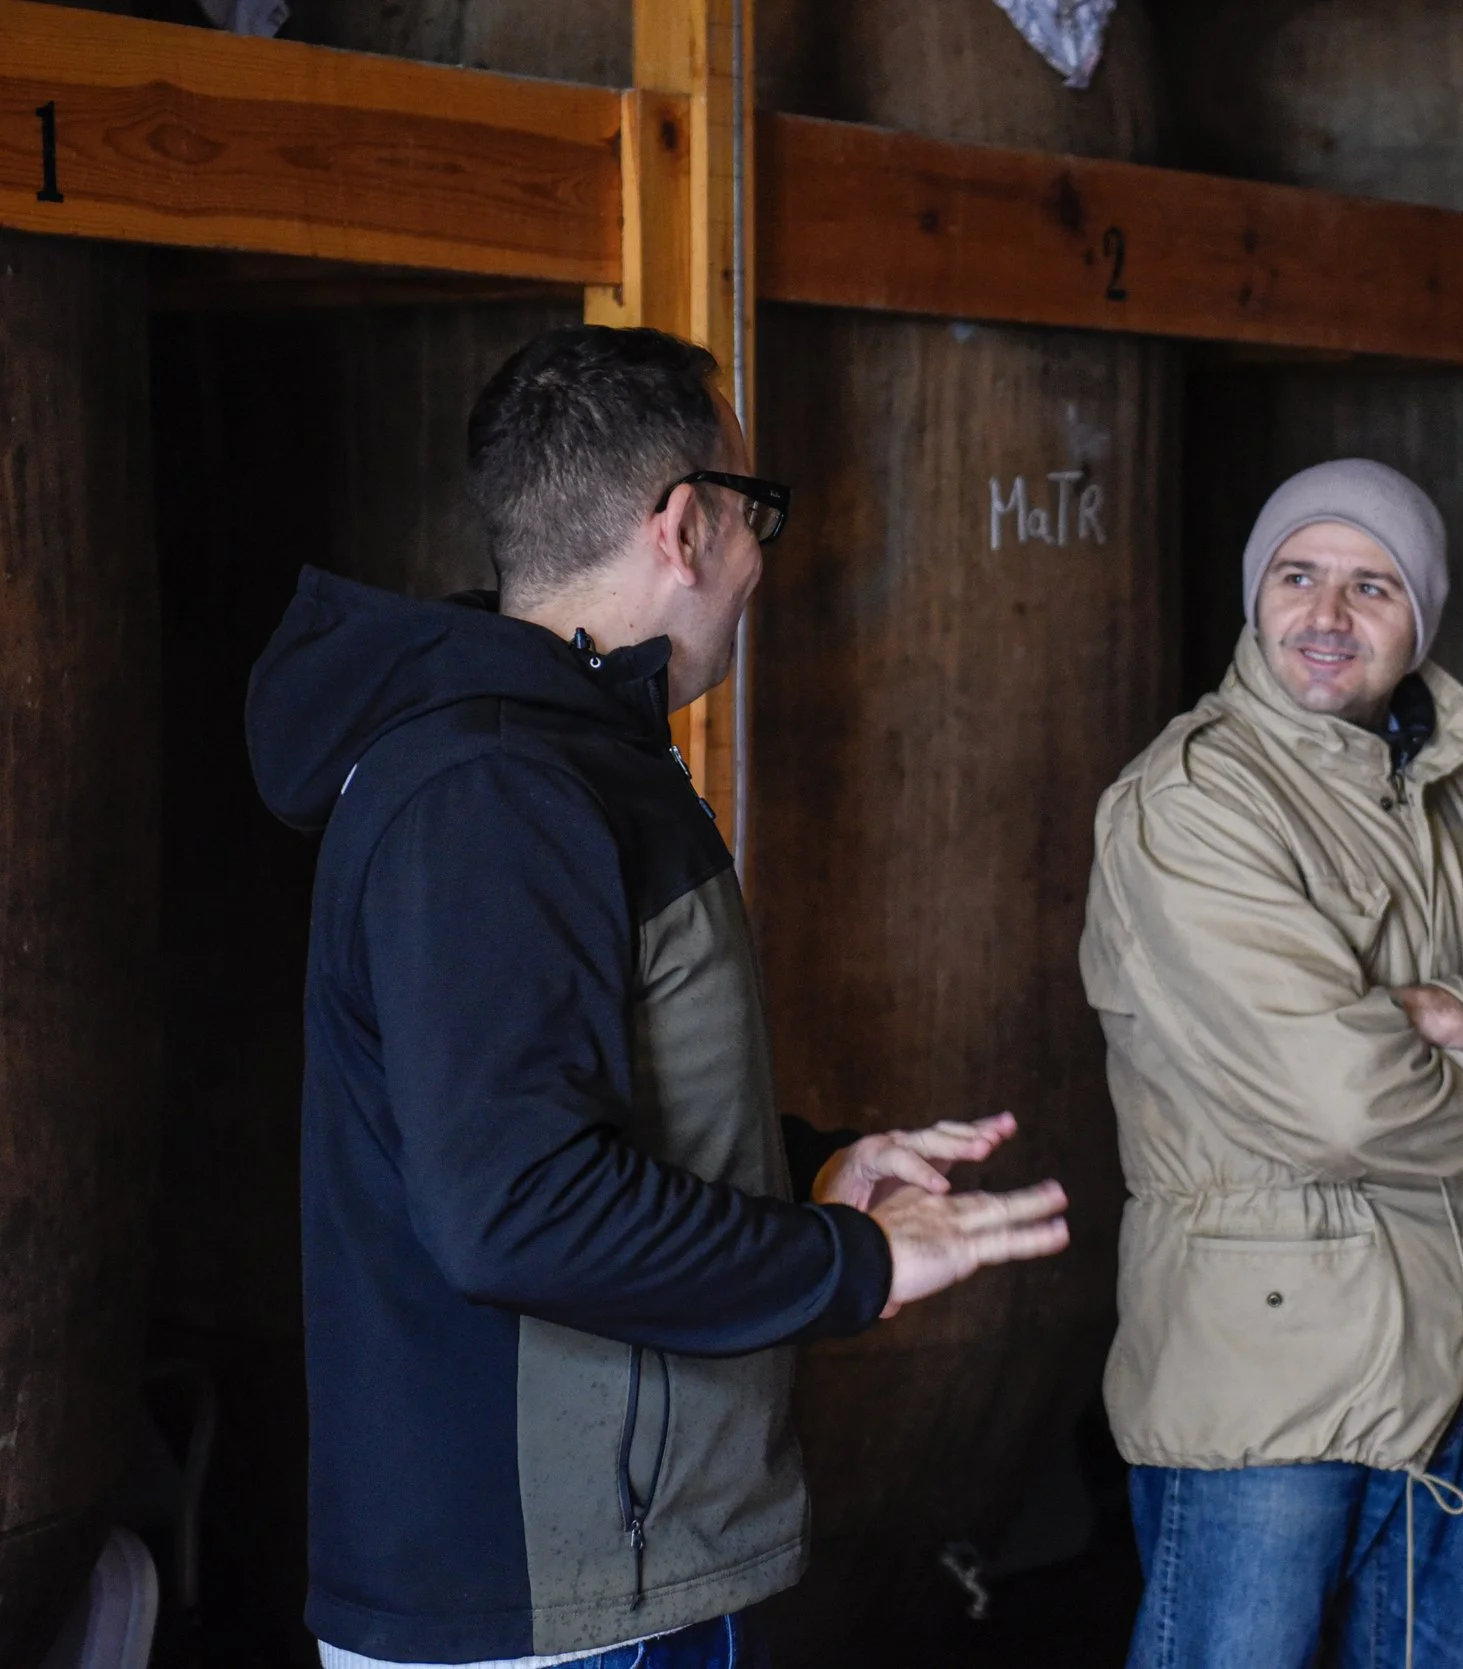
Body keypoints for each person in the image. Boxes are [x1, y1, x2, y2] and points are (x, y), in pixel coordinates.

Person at [246, 325, 1069, 1667]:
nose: (759, 561)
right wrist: (851, 1263)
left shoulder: (558, 755)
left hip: (607, 1575)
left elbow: (566, 1114)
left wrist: (809, 1173)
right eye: (757, 515)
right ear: (686, 527)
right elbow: (518, 1208)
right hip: (546, 1606)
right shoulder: (495, 791)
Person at [1080, 459, 1463, 1668]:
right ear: (1256, 595)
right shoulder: (1190, 803)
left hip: (1460, 1371)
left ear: (1422, 616)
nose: (1328, 614)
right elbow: (1336, 1100)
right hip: (1269, 1386)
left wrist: (1459, 1014)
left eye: (1372, 586)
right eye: (1297, 576)